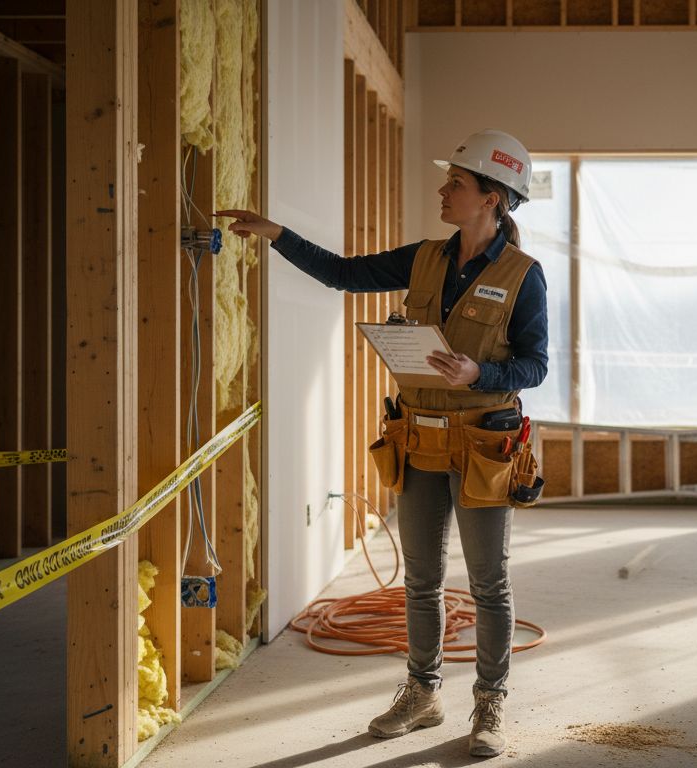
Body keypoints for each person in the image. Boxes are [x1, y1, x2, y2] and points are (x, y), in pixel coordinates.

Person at [217, 129, 547, 758]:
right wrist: (276, 234)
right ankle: (422, 695)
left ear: (492, 199)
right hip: (418, 436)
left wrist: (482, 374)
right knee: (420, 579)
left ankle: (489, 704)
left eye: (457, 182)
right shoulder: (426, 257)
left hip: (484, 445)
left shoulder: (524, 276)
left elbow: (535, 365)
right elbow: (344, 274)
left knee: (488, 583)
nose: (443, 190)